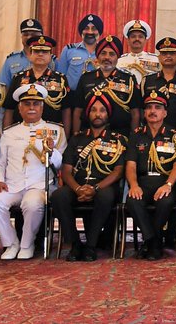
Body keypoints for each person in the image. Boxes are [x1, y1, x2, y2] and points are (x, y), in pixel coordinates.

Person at [0, 84, 65, 260]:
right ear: (20, 109)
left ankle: (27, 244)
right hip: (13, 185)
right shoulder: (9, 132)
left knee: (33, 204)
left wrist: (51, 151)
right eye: (27, 104)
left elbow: (60, 165)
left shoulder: (56, 130)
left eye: (35, 104)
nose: (31, 107)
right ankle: (11, 243)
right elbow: (0, 162)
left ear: (42, 107)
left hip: (39, 185)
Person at [52, 95, 127, 261]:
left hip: (103, 186)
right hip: (77, 186)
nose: (97, 114)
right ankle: (75, 244)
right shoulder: (77, 138)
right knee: (58, 196)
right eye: (93, 110)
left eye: (102, 110)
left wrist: (95, 188)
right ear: (88, 114)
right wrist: (78, 188)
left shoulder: (118, 140)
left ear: (108, 114)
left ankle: (91, 246)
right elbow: (66, 170)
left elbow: (118, 171)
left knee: (106, 195)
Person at [125, 89, 176, 260]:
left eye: (158, 107)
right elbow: (130, 165)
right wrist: (134, 185)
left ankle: (151, 242)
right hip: (143, 182)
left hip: (165, 181)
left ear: (165, 112)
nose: (153, 111)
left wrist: (168, 185)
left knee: (166, 201)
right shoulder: (136, 135)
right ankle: (154, 240)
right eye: (149, 108)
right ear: (144, 113)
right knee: (132, 200)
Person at [72, 35, 141, 136]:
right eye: (103, 53)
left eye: (112, 54)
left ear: (118, 57)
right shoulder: (86, 78)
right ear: (97, 56)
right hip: (89, 135)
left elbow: (135, 113)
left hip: (120, 136)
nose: (107, 57)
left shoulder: (129, 79)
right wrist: (75, 134)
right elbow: (78, 111)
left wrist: (134, 137)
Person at [5, 35, 71, 134]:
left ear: (50, 56)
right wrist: (6, 133)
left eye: (45, 52)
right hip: (22, 132)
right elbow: (9, 109)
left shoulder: (60, 79)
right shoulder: (18, 78)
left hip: (51, 133)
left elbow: (66, 110)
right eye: (36, 51)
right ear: (30, 54)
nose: (40, 54)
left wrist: (65, 135)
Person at [142, 37, 176, 129]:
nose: (168, 56)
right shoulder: (148, 80)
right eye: (164, 53)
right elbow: (142, 109)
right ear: (159, 57)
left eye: (172, 53)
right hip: (151, 134)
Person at [55, 14, 102, 91]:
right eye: (86, 28)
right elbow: (60, 76)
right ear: (81, 31)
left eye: (94, 29)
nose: (90, 32)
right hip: (73, 96)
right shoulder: (68, 50)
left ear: (99, 32)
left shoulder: (104, 52)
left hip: (97, 96)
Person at [0, 18, 44, 90]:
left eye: (33, 35)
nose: (29, 37)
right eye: (25, 34)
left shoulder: (51, 60)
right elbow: (3, 87)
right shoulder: (11, 60)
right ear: (21, 37)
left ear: (41, 37)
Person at [118, 19, 160, 90]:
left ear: (145, 40)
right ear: (128, 40)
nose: (137, 39)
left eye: (140, 37)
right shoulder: (119, 61)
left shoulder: (156, 59)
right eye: (133, 36)